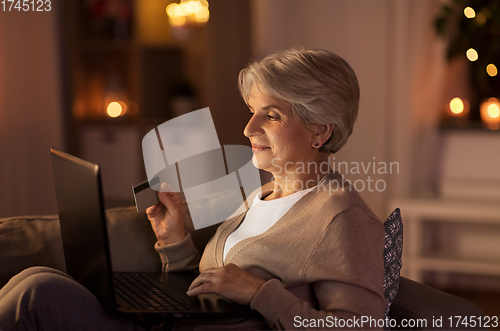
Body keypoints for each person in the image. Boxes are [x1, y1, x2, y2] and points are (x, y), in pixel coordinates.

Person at [0, 48, 385, 330]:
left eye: (272, 115)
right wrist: (176, 243)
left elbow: (360, 327)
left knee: (39, 295)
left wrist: (260, 293)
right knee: (35, 278)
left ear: (321, 130)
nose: (248, 129)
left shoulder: (341, 216)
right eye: (252, 111)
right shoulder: (262, 195)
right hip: (168, 324)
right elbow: (213, 296)